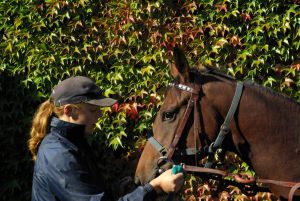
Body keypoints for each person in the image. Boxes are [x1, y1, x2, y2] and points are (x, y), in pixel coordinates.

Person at [28, 76, 184, 201]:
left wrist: (116, 190)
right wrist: (155, 187)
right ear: (69, 111)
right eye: (93, 110)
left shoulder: (72, 143)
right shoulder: (58, 154)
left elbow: (89, 193)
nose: (100, 115)